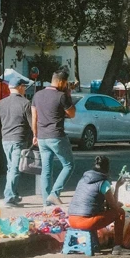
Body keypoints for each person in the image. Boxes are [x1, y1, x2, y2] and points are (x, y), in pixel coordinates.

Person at [0, 74, 33, 207]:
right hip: (19, 140)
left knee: (11, 168)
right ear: (20, 87)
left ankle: (13, 195)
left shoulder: (1, 103)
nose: (25, 90)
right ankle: (9, 197)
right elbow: (32, 124)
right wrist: (37, 136)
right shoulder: (25, 103)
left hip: (6, 141)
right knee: (15, 169)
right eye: (24, 87)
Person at [67, 156, 130, 255]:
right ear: (107, 168)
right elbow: (114, 206)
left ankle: (95, 244)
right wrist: (118, 186)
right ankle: (117, 246)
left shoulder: (83, 179)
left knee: (110, 211)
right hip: (86, 221)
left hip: (72, 219)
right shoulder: (103, 182)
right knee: (120, 212)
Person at [32, 68, 76, 206]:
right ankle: (54, 193)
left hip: (41, 137)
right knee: (68, 165)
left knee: (46, 169)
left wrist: (35, 135)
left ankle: (47, 204)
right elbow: (72, 113)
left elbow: (34, 117)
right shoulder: (61, 96)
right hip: (56, 136)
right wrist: (68, 94)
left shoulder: (37, 95)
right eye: (66, 83)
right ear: (62, 82)